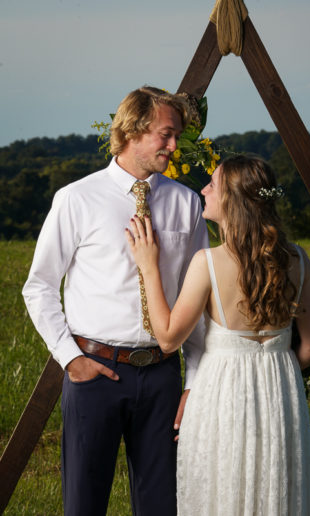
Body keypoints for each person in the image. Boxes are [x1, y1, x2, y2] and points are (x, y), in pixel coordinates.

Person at [22, 86, 209, 516]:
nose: (174, 146)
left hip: (163, 377)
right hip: (95, 375)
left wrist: (193, 383)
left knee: (163, 507)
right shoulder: (76, 199)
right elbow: (40, 286)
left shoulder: (187, 203)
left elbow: (197, 301)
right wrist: (72, 360)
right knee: (84, 506)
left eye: (176, 136)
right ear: (132, 131)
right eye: (166, 135)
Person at [127, 154, 310, 516]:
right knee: (278, 488)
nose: (203, 190)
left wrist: (149, 267)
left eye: (212, 184)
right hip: (280, 394)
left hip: (221, 396)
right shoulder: (299, 260)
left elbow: (168, 338)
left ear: (233, 201)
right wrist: (273, 374)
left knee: (221, 488)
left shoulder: (208, 263)